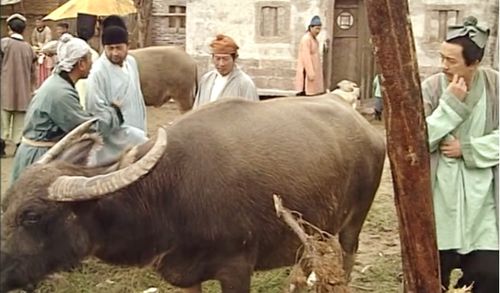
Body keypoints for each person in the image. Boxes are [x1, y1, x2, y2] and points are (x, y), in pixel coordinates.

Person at [422, 16, 498, 293]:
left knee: (490, 275)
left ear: (474, 63)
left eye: (451, 60)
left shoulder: (495, 87)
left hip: (482, 198)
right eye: (442, 57)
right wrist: (450, 106)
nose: (443, 65)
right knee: (431, 275)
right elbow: (418, 142)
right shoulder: (431, 88)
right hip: (440, 195)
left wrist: (467, 149)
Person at [10, 34, 127, 183]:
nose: (92, 64)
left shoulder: (59, 84)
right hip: (38, 159)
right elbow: (87, 128)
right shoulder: (60, 93)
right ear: (81, 63)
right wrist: (114, 112)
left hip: (39, 154)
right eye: (90, 59)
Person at [85, 15, 147, 164]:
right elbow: (97, 115)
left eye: (119, 48)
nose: (114, 53)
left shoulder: (131, 63)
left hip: (138, 131)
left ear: (128, 46)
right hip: (113, 143)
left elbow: (137, 99)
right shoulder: (98, 72)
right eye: (110, 48)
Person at [0, 13, 37, 157]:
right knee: (20, 123)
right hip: (23, 92)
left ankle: (1, 148)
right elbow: (33, 73)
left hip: (4, 89)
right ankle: (18, 147)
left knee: (3, 121)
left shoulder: (4, 44)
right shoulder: (29, 48)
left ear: (9, 28)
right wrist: (32, 88)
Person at [193, 34, 259, 108]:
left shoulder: (244, 83)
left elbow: (252, 114)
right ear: (212, 58)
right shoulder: (206, 80)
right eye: (217, 59)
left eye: (225, 59)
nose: (221, 64)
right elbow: (196, 110)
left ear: (234, 59)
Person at [295, 15, 325, 96]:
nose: (318, 31)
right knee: (306, 92)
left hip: (314, 69)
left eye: (319, 29)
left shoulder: (314, 39)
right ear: (311, 28)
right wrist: (310, 73)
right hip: (307, 71)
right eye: (316, 29)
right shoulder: (306, 39)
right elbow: (306, 57)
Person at [31, 17, 53, 88]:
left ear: (43, 23)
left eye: (39, 22)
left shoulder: (47, 30)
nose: (37, 24)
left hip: (45, 48)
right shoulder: (35, 30)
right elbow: (33, 39)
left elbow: (48, 39)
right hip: (37, 48)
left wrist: (43, 46)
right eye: (36, 22)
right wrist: (36, 45)